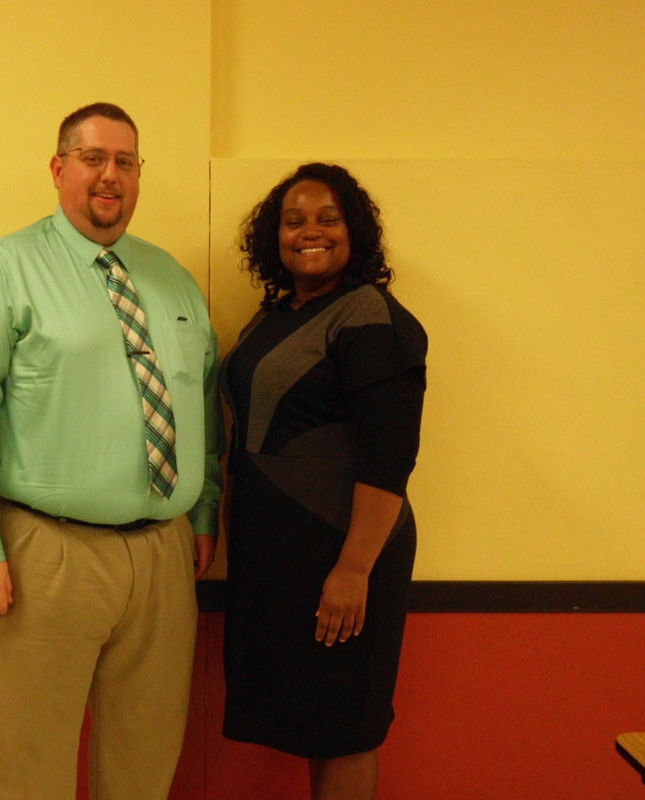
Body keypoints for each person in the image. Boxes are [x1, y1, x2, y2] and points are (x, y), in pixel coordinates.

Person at [0, 102, 223, 800]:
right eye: (93, 159)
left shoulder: (172, 280)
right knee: (29, 769)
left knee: (145, 764)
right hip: (44, 559)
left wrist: (202, 513)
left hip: (162, 557)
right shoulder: (3, 270)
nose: (109, 176)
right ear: (59, 169)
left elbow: (204, 406)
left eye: (125, 161)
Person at [221, 163, 427, 799]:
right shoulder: (275, 315)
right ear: (273, 238)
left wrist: (352, 571)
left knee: (345, 727)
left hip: (343, 557)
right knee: (315, 723)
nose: (310, 232)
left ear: (354, 231)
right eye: (294, 220)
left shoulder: (368, 316)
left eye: (328, 218)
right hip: (278, 565)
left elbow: (389, 458)